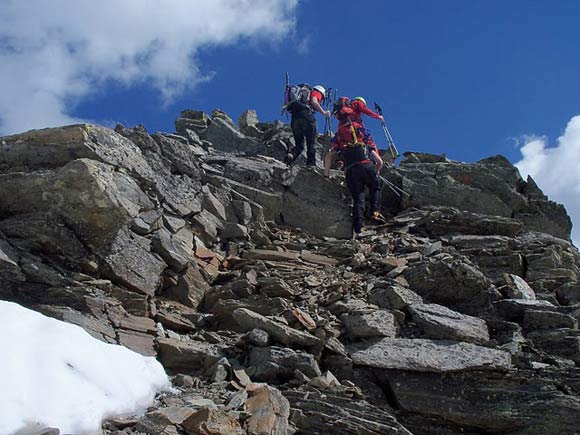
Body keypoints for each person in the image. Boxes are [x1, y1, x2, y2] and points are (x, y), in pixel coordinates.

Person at [324, 96, 386, 234]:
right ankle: (375, 212)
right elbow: (379, 161)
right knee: (375, 187)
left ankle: (359, 228)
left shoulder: (340, 134)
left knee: (358, 198)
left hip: (350, 171)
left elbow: (329, 156)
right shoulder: (360, 131)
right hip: (366, 164)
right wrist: (375, 171)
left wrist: (326, 176)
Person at [287, 85, 331, 166]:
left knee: (299, 145)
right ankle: (311, 164)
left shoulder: (301, 96)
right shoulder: (316, 92)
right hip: (307, 116)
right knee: (310, 143)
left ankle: (290, 156)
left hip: (295, 119)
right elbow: (314, 102)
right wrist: (324, 112)